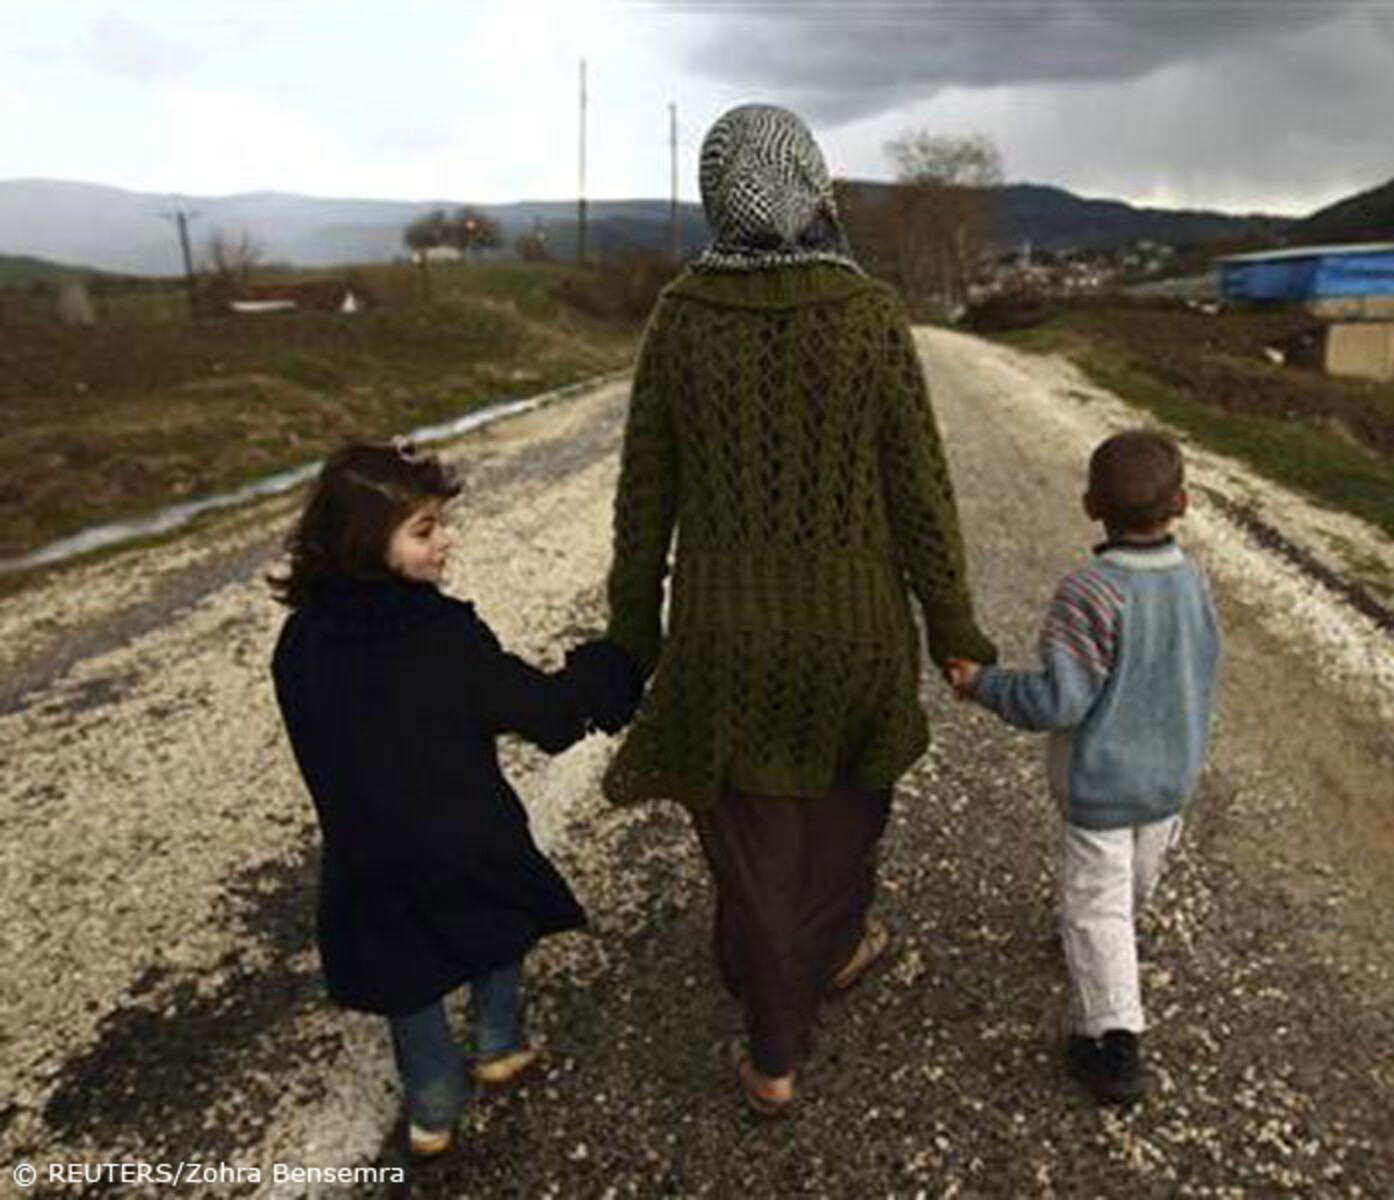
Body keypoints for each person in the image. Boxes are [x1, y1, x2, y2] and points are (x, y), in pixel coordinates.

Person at [597, 103, 997, 1115]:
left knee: (749, 837)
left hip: (722, 636)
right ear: (813, 185)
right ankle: (791, 1006)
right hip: (856, 630)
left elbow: (646, 497)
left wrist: (632, 637)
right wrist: (952, 630)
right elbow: (920, 493)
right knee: (840, 821)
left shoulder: (682, 316)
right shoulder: (867, 314)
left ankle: (771, 1005)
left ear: (713, 196)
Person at [269, 441, 637, 1156]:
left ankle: (432, 1111)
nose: (447, 540)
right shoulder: (440, 635)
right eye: (425, 529)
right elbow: (546, 715)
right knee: (496, 928)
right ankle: (499, 1045)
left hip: (364, 850)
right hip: (465, 835)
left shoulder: (299, 641)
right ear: (364, 542)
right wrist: (606, 667)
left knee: (405, 974)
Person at [946, 429, 1221, 1107]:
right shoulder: (1194, 583)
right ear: (1182, 502)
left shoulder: (1090, 592)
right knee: (1127, 890)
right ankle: (1103, 956)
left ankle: (1111, 1040)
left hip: (1104, 786)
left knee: (1096, 905)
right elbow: (1205, 668)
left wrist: (983, 684)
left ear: (1090, 503)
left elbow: (1059, 700)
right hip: (1169, 782)